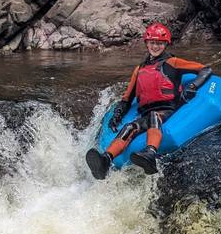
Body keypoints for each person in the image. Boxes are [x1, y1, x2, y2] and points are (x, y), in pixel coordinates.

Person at [86, 22, 212, 179]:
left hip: (168, 108)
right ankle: (105, 160)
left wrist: (192, 86)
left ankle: (150, 153)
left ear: (166, 44)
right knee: (129, 127)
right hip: (145, 112)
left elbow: (205, 69)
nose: (155, 46)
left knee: (154, 116)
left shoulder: (173, 62)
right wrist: (117, 115)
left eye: (159, 43)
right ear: (146, 43)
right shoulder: (139, 70)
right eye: (152, 42)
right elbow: (127, 98)